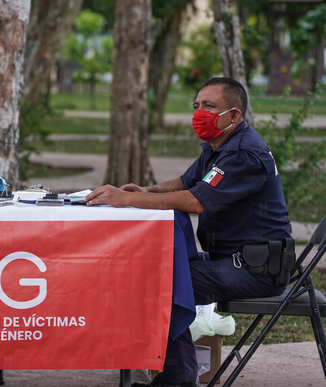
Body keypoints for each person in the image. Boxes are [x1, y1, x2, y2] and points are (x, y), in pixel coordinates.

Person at [85, 77, 293, 387]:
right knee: (156, 270)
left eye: (210, 106)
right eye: (197, 106)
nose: (200, 113)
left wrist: (126, 199)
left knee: (160, 281)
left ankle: (178, 379)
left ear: (234, 115)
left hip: (256, 269)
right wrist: (146, 190)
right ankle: (177, 375)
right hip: (238, 260)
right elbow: (186, 182)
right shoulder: (220, 146)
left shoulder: (243, 154)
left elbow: (195, 201)